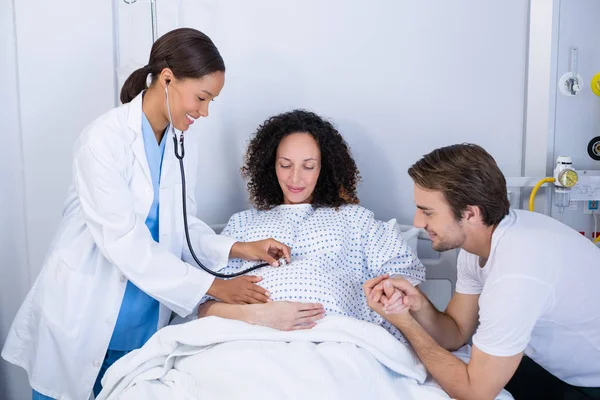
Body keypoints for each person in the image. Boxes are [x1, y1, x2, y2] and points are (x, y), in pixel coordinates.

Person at [1, 28, 294, 400]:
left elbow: (181, 226)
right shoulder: (102, 142)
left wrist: (241, 248)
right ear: (168, 79)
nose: (204, 112)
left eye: (211, 102)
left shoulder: (180, 141)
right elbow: (125, 243)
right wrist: (215, 287)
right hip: (82, 318)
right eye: (201, 98)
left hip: (143, 326)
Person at [364, 144, 600, 400]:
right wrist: (417, 306)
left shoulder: (516, 275)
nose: (419, 222)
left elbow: (475, 394)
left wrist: (405, 325)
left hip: (588, 385)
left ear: (470, 213)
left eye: (427, 212)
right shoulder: (481, 242)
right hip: (544, 363)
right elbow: (455, 333)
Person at [196, 110, 425, 339]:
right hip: (249, 336)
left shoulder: (356, 220)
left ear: (323, 168)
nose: (295, 179)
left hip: (337, 338)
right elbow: (204, 307)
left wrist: (391, 291)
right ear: (270, 166)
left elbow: (402, 280)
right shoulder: (243, 223)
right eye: (285, 165)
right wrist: (261, 315)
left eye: (308, 166)